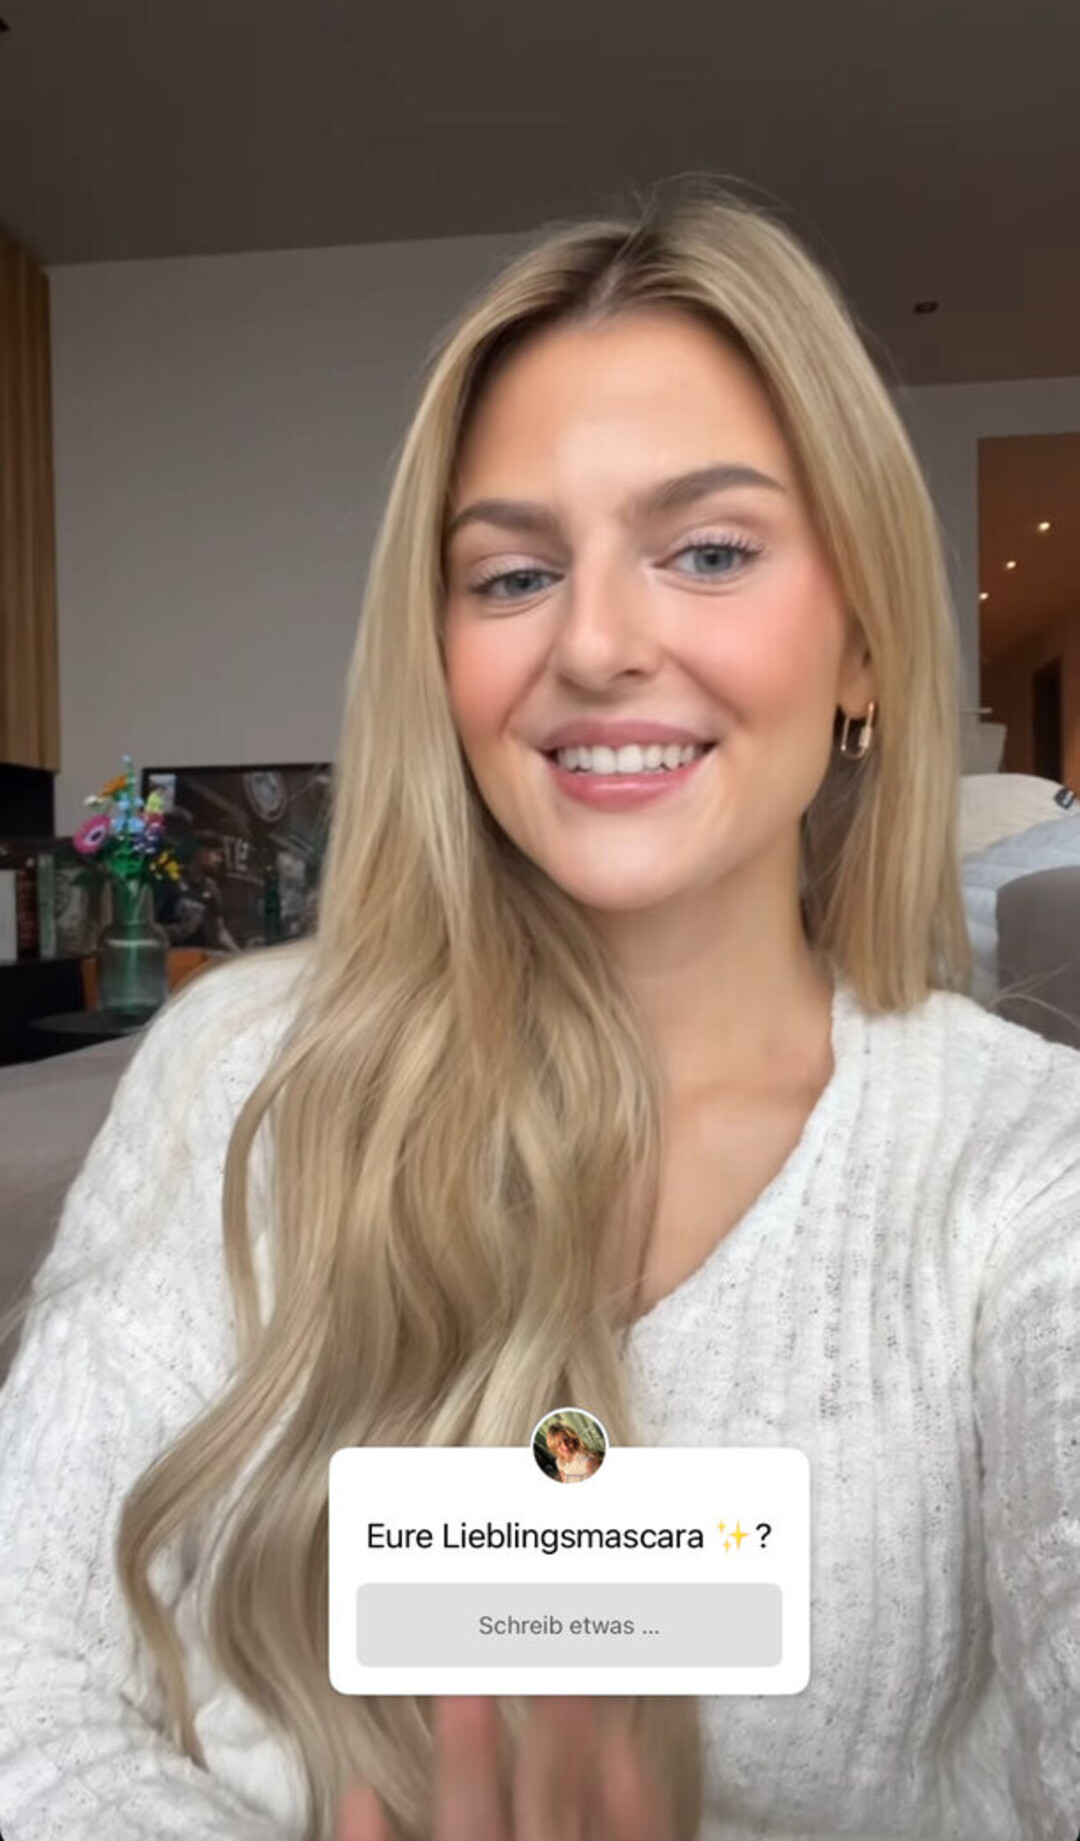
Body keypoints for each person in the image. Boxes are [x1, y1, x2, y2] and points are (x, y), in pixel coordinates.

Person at [0, 175, 1077, 1841]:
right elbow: (25, 1680)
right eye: (510, 576)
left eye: (708, 551)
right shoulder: (245, 1071)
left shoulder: (1028, 1173)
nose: (594, 644)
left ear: (862, 642)